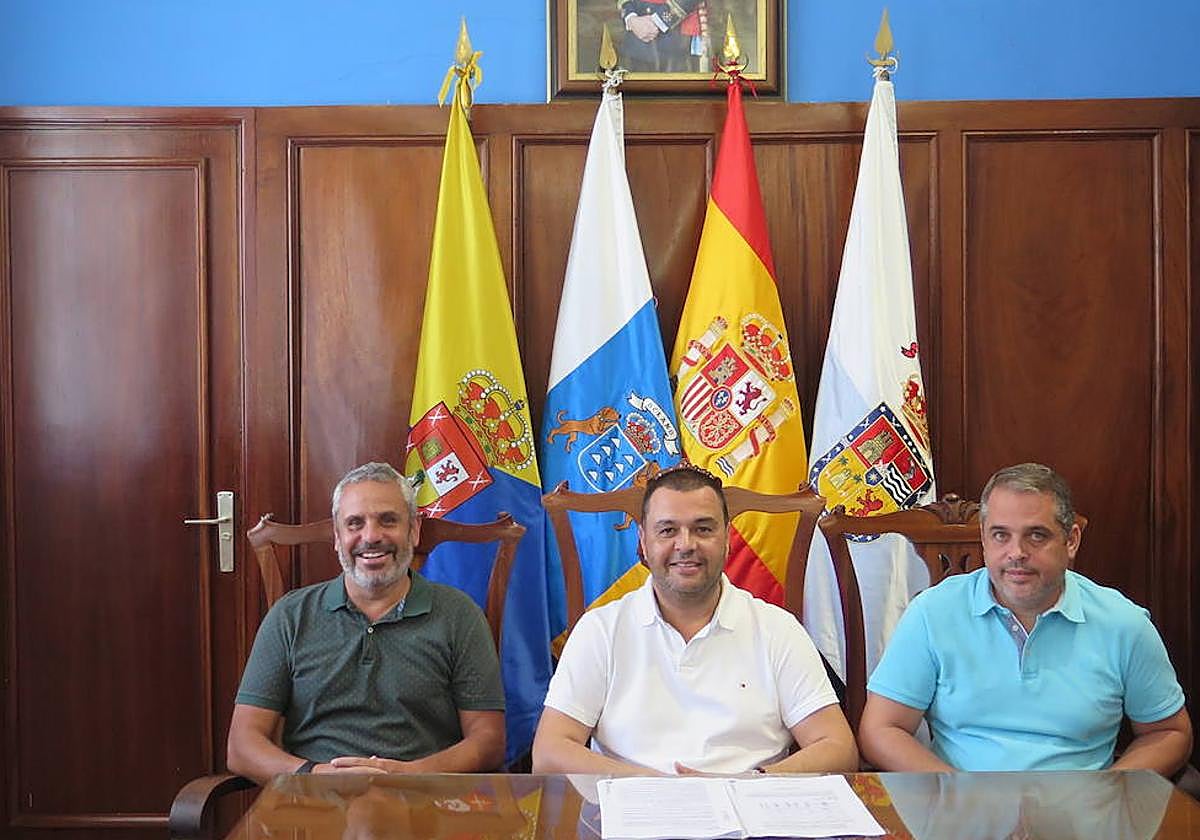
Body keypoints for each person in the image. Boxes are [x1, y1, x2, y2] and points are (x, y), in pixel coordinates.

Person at [859, 462, 1192, 775]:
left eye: (1036, 535)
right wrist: (953, 790)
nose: (1016, 553)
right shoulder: (933, 613)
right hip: (963, 814)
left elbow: (1169, 732)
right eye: (1001, 535)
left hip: (1078, 819)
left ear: (1071, 540)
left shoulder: (1124, 623)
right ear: (984, 539)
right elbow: (880, 729)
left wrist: (1110, 789)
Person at [532, 464, 858, 775]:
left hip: (751, 809)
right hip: (634, 810)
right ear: (643, 542)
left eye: (703, 529)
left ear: (727, 538)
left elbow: (837, 747)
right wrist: (654, 788)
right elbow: (549, 752)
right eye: (668, 530)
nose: (686, 545)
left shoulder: (777, 628)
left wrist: (751, 782)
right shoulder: (602, 629)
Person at [226, 461, 505, 783]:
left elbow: (488, 741)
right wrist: (316, 776)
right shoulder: (290, 616)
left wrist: (407, 775)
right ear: (336, 536)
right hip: (315, 806)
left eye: (388, 521)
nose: (371, 536)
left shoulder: (459, 615)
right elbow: (242, 746)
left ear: (413, 530)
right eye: (354, 524)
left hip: (423, 802)